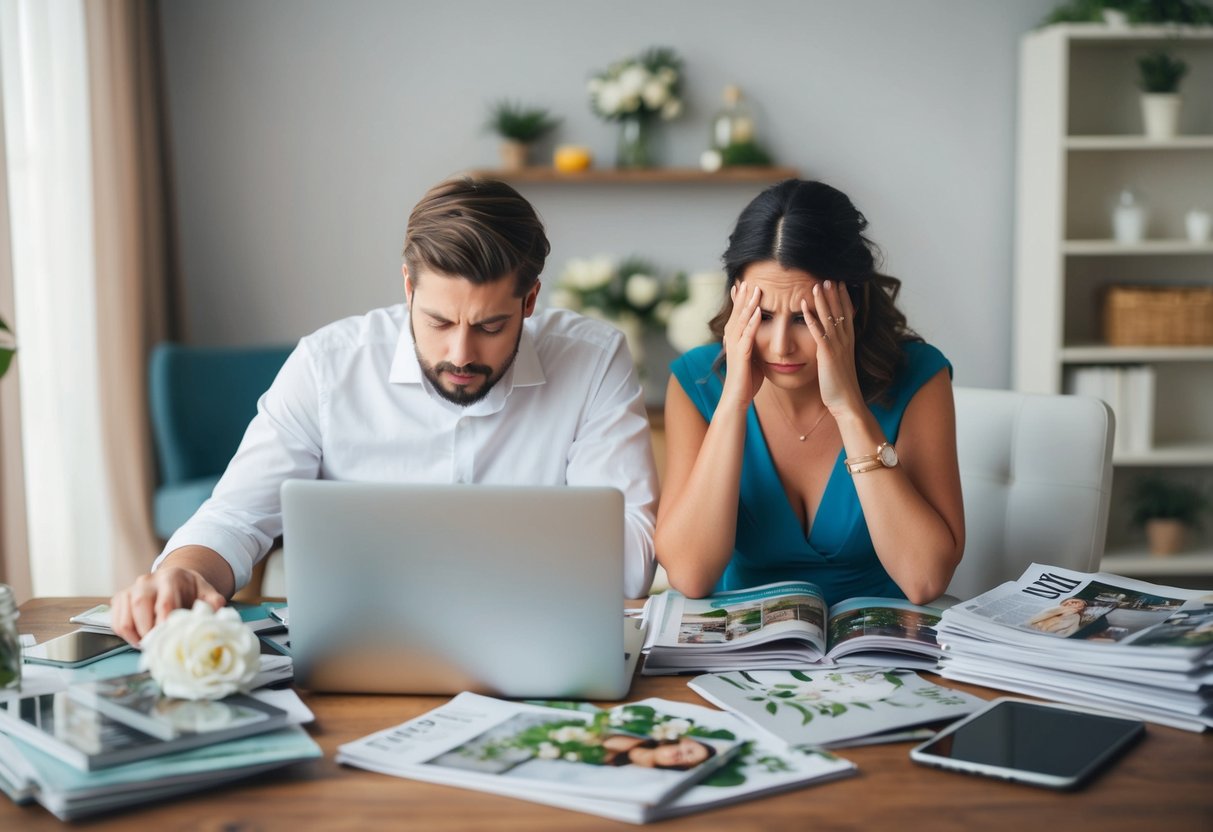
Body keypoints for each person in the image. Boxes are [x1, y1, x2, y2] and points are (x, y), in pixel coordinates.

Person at [111, 176, 659, 644]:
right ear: (408, 287)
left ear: (530, 301)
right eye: (439, 322)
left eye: (491, 326)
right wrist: (181, 573)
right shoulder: (328, 365)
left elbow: (633, 558)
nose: (461, 354)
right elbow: (235, 517)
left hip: (542, 642)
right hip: (358, 650)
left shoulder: (592, 360)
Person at [654, 179, 964, 606]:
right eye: (762, 315)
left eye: (804, 318)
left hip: (879, 653)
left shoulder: (920, 376)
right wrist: (732, 405)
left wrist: (849, 408)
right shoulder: (697, 383)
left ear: (849, 306)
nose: (780, 345)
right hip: (749, 652)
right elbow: (689, 575)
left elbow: (925, 579)